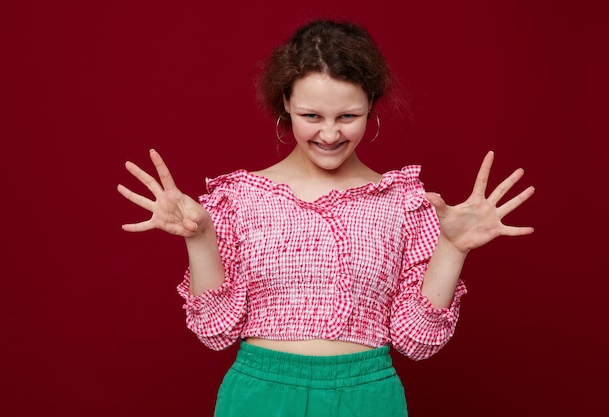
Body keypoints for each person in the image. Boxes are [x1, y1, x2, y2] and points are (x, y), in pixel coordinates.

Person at [117, 19, 534, 417]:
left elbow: (418, 341)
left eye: (347, 117)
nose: (330, 134)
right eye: (312, 116)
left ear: (371, 103)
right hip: (261, 396)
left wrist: (452, 247)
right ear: (285, 102)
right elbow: (214, 331)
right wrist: (199, 235)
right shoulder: (240, 198)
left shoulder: (404, 202)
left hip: (366, 397)